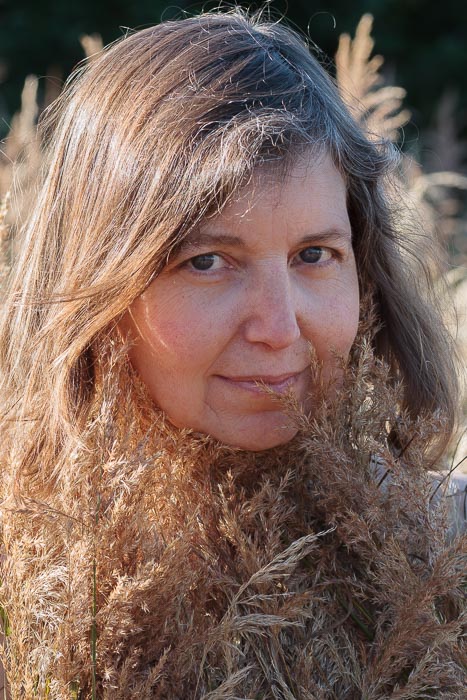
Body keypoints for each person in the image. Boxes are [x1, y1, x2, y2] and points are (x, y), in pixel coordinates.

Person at [0, 9, 465, 698]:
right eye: (207, 262)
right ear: (99, 282)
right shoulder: (22, 590)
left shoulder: (445, 549)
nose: (278, 328)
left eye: (314, 255)